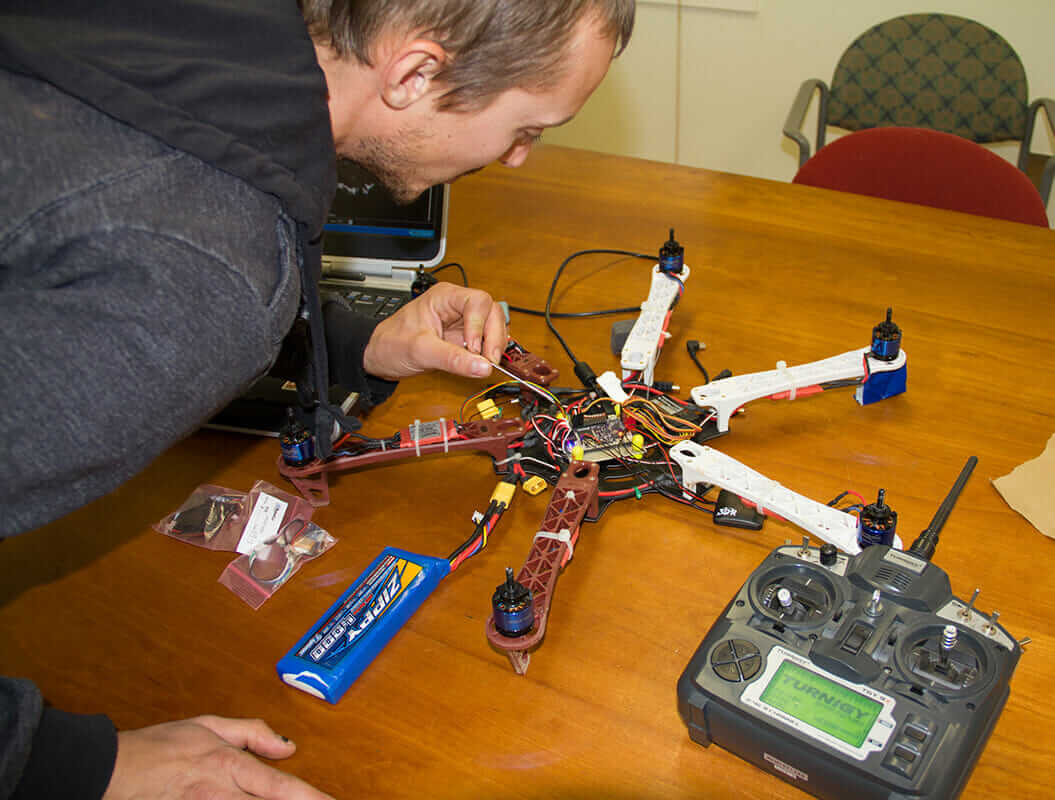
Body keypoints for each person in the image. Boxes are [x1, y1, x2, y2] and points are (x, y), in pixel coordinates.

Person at [0, 0, 635, 798]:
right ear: (413, 73)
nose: (516, 159)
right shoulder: (200, 270)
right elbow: (170, 280)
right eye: (529, 127)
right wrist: (60, 764)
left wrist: (357, 344)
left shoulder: (202, 41)